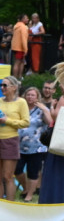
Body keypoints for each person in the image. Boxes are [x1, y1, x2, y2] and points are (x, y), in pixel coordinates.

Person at [0, 75, 28, 200]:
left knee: (8, 176)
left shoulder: (21, 102)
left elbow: (26, 122)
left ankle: (9, 205)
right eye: (0, 85)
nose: (2, 87)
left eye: (5, 85)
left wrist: (8, 120)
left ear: (14, 87)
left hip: (10, 140)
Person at [14, 86, 53, 201]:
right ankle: (26, 188)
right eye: (28, 95)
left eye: (33, 95)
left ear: (37, 97)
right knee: (17, 169)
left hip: (36, 147)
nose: (30, 97)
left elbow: (50, 122)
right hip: (19, 146)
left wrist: (45, 109)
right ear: (25, 96)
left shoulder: (41, 109)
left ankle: (29, 195)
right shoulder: (21, 108)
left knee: (33, 172)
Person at [39, 63, 64, 205]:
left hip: (60, 145)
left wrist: (52, 107)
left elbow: (55, 118)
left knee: (56, 178)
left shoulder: (62, 98)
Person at [11, 14, 30, 79]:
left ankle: (19, 77)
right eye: (26, 18)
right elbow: (24, 39)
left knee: (21, 62)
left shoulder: (16, 26)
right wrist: (25, 49)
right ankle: (15, 78)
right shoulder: (23, 27)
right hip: (20, 47)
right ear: (23, 19)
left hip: (15, 47)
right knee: (18, 62)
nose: (28, 19)